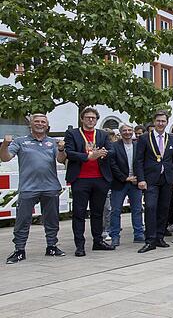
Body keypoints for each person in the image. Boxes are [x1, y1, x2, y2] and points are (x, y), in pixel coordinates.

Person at [2, 114, 67, 264]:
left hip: (50, 187)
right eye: (36, 121)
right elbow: (5, 158)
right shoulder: (20, 142)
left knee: (51, 220)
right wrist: (5, 144)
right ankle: (19, 250)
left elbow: (61, 160)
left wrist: (62, 149)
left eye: (43, 122)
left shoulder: (53, 142)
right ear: (30, 125)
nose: (40, 124)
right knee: (22, 220)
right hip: (28, 188)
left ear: (47, 125)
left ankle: (52, 246)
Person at [64, 107, 115, 257]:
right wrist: (88, 157)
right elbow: (69, 153)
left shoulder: (102, 134)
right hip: (80, 179)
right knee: (79, 213)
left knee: (98, 213)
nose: (90, 120)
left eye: (93, 118)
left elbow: (112, 151)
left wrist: (102, 154)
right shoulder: (72, 134)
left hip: (100, 179)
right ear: (82, 119)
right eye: (88, 117)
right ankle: (79, 245)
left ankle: (98, 241)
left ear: (97, 120)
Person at [135, 110, 173, 254]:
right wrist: (141, 179)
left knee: (164, 209)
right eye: (158, 121)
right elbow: (139, 160)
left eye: (163, 121)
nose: (161, 123)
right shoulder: (144, 138)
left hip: (167, 178)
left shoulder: (172, 139)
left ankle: (160, 237)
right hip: (150, 180)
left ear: (167, 123)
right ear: (154, 122)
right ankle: (150, 240)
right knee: (150, 207)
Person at [108, 124, 144, 247]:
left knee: (137, 210)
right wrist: (124, 178)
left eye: (129, 130)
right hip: (119, 183)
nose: (127, 132)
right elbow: (112, 164)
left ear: (133, 132)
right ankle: (115, 236)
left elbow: (142, 163)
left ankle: (139, 234)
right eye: (124, 130)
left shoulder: (138, 146)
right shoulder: (114, 146)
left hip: (135, 183)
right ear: (120, 132)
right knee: (116, 210)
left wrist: (138, 178)